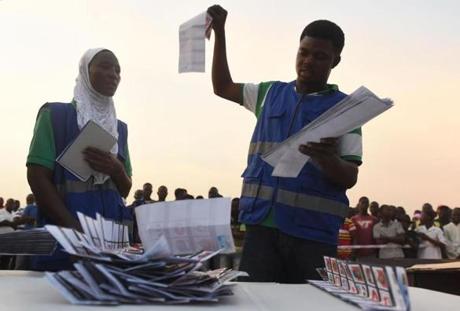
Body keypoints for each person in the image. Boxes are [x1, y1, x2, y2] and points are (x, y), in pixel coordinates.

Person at [207, 5, 362, 283]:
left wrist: (328, 159)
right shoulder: (269, 93)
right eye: (303, 52)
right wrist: (220, 32)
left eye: (319, 56)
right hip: (261, 228)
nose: (308, 61)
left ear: (335, 61)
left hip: (313, 236)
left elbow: (350, 176)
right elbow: (222, 86)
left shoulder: (347, 110)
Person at [26, 48, 133, 271]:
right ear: (85, 71)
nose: (114, 74)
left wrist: (117, 170)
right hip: (65, 243)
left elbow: (125, 189)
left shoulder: (119, 130)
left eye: (118, 70)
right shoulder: (55, 115)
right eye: (105, 66)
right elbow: (37, 177)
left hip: (110, 245)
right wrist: (76, 230)